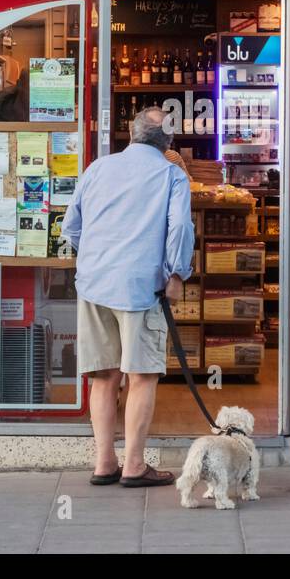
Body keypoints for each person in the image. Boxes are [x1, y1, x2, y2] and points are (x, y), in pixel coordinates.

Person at [60, 106, 194, 487]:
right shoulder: (171, 174)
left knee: (102, 377)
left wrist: (97, 258)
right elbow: (180, 228)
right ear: (168, 140)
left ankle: (104, 463)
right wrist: (176, 272)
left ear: (131, 134)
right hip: (140, 287)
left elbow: (72, 226)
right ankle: (134, 465)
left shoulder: (98, 168)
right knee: (141, 376)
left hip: (94, 284)